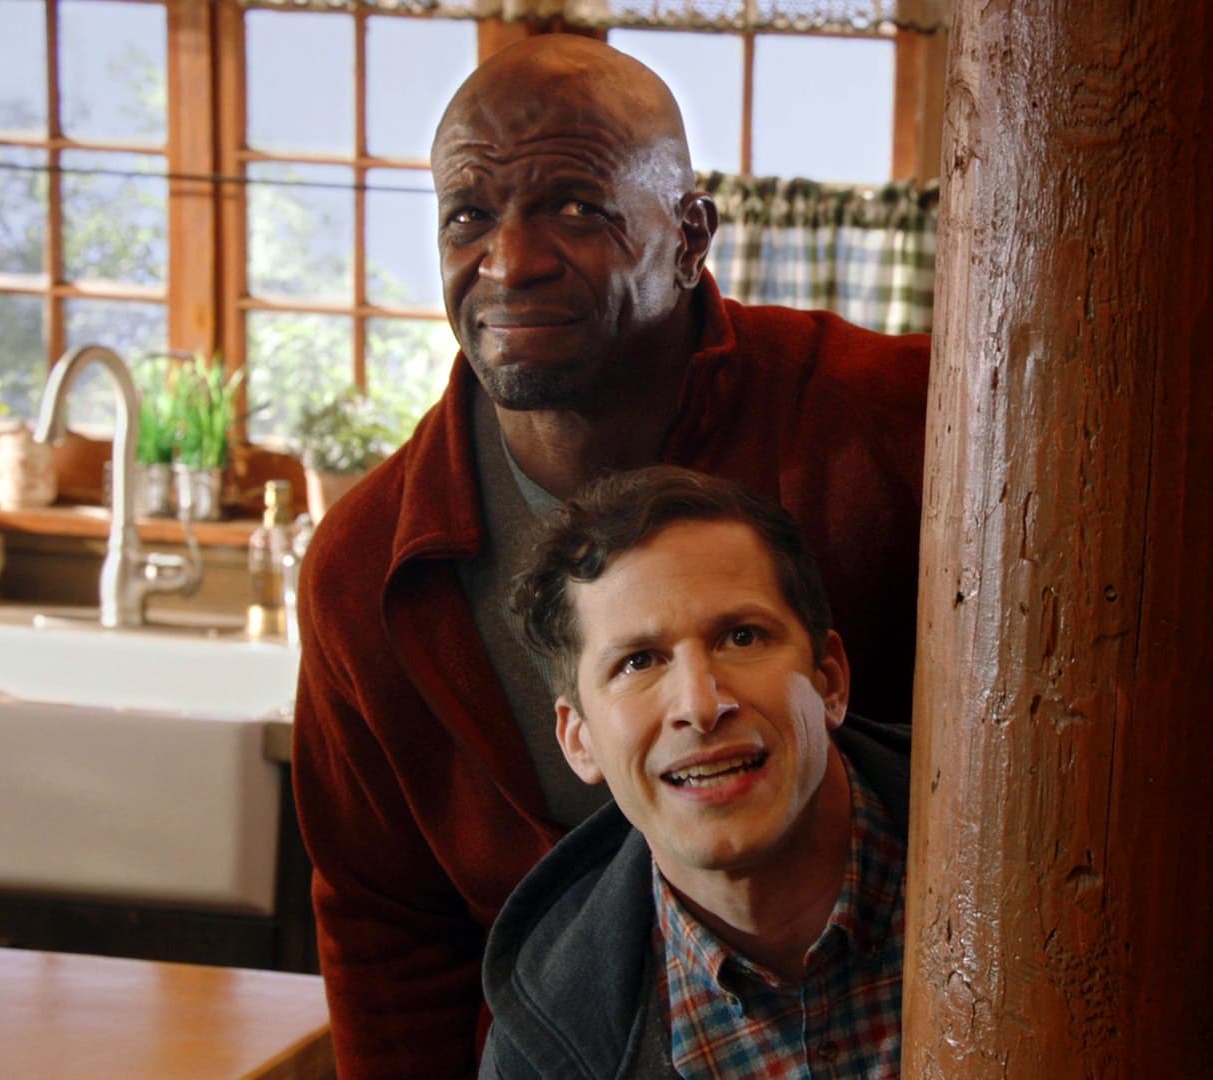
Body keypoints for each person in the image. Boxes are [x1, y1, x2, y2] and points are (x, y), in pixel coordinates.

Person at [292, 34, 929, 1079]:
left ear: (690, 239)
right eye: (467, 216)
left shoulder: (892, 424)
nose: (510, 263)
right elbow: (385, 928)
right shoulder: (368, 571)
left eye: (576, 207)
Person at [480, 466, 909, 1079]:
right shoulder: (539, 1055)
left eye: (742, 637)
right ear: (579, 741)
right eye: (638, 662)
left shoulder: (1031, 852)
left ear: (830, 682)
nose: (701, 706)